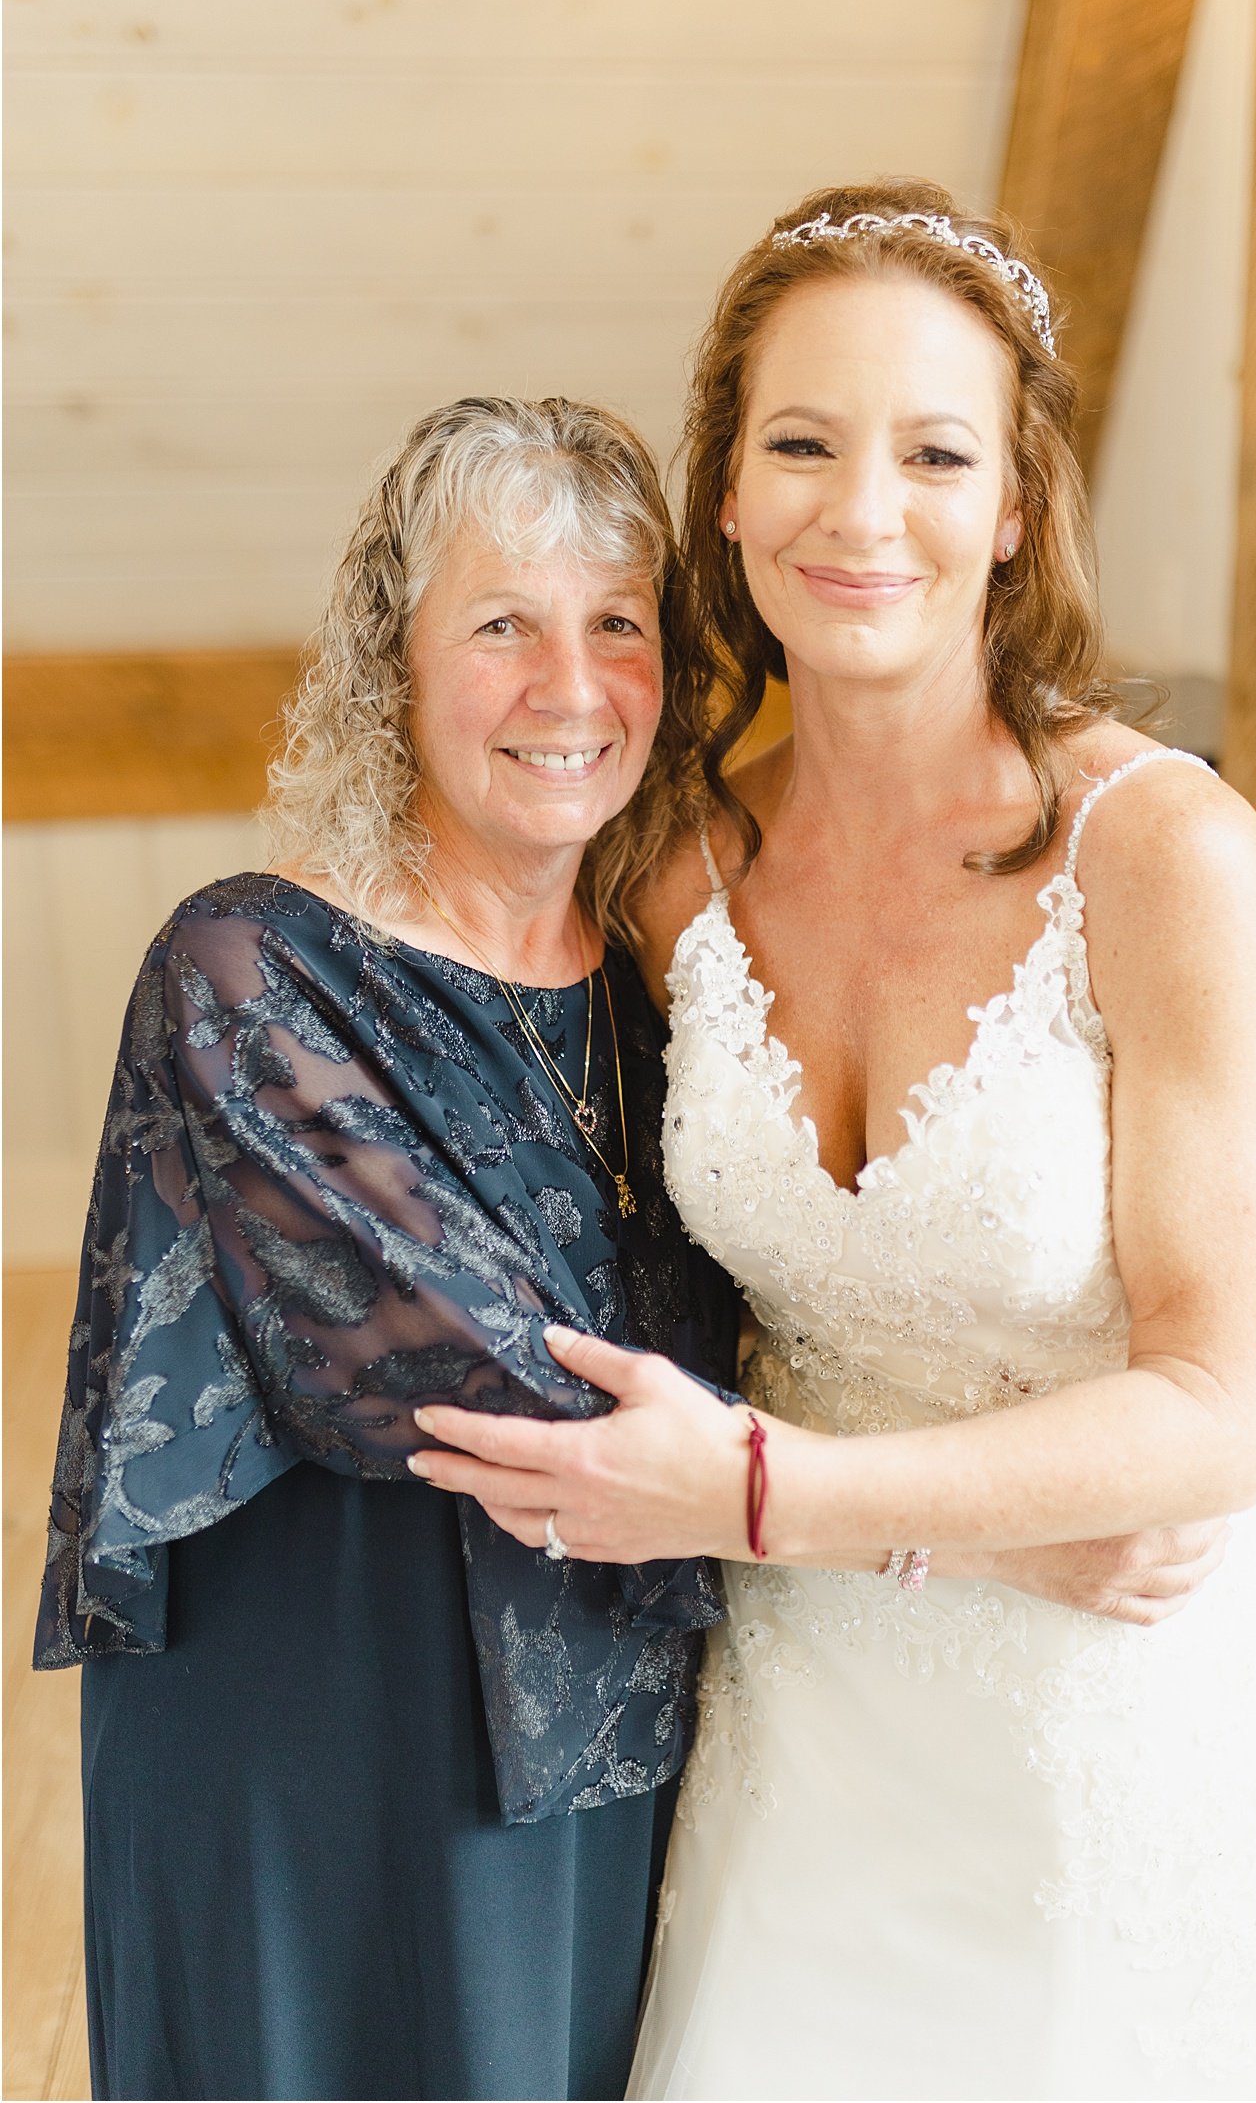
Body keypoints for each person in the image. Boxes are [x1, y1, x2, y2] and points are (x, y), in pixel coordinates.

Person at [409, 187, 1256, 2101]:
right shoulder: (665, 865)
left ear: (1015, 503)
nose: (860, 514)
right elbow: (611, 1279)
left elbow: (1216, 1408)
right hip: (803, 1725)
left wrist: (772, 1498)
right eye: (800, 444)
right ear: (722, 491)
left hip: (1107, 1718)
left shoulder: (1166, 855)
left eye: (934, 452)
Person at [33, 395, 742, 2103]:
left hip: (618, 1706)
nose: (573, 688)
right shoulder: (248, 970)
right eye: (503, 624)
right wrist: (900, 1504)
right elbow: (477, 1386)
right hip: (325, 1736)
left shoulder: (680, 996)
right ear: (394, 665)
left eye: (619, 623)